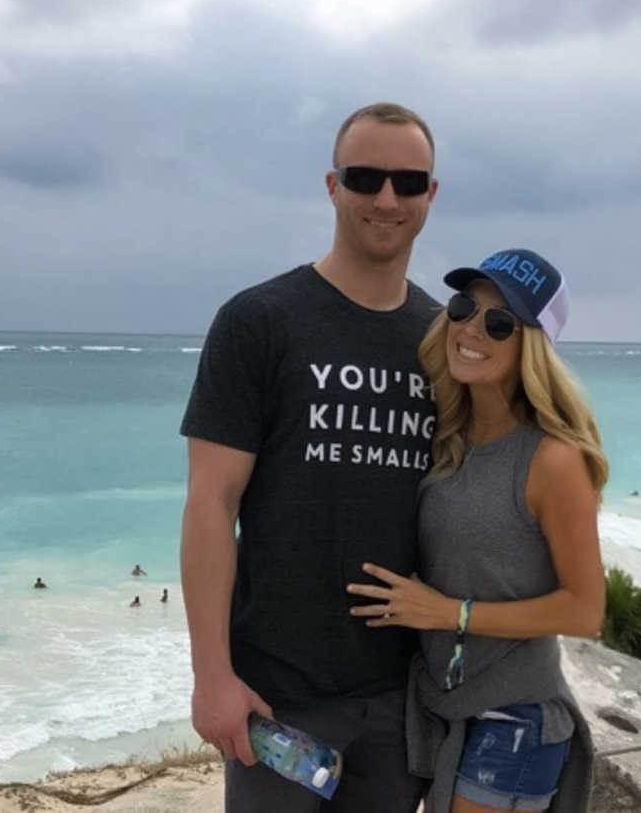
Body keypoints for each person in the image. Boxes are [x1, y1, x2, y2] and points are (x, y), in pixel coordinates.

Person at [180, 102, 439, 811]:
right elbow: (211, 504)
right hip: (277, 699)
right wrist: (212, 679)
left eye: (408, 182)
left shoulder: (444, 340)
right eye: (365, 177)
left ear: (430, 196)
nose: (387, 199)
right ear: (333, 187)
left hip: (400, 699)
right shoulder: (259, 321)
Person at [349, 249, 607, 812]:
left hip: (514, 720)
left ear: (532, 348)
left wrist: (448, 613)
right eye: (465, 307)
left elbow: (585, 610)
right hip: (444, 709)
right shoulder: (448, 437)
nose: (471, 329)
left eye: (499, 323)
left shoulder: (552, 459)